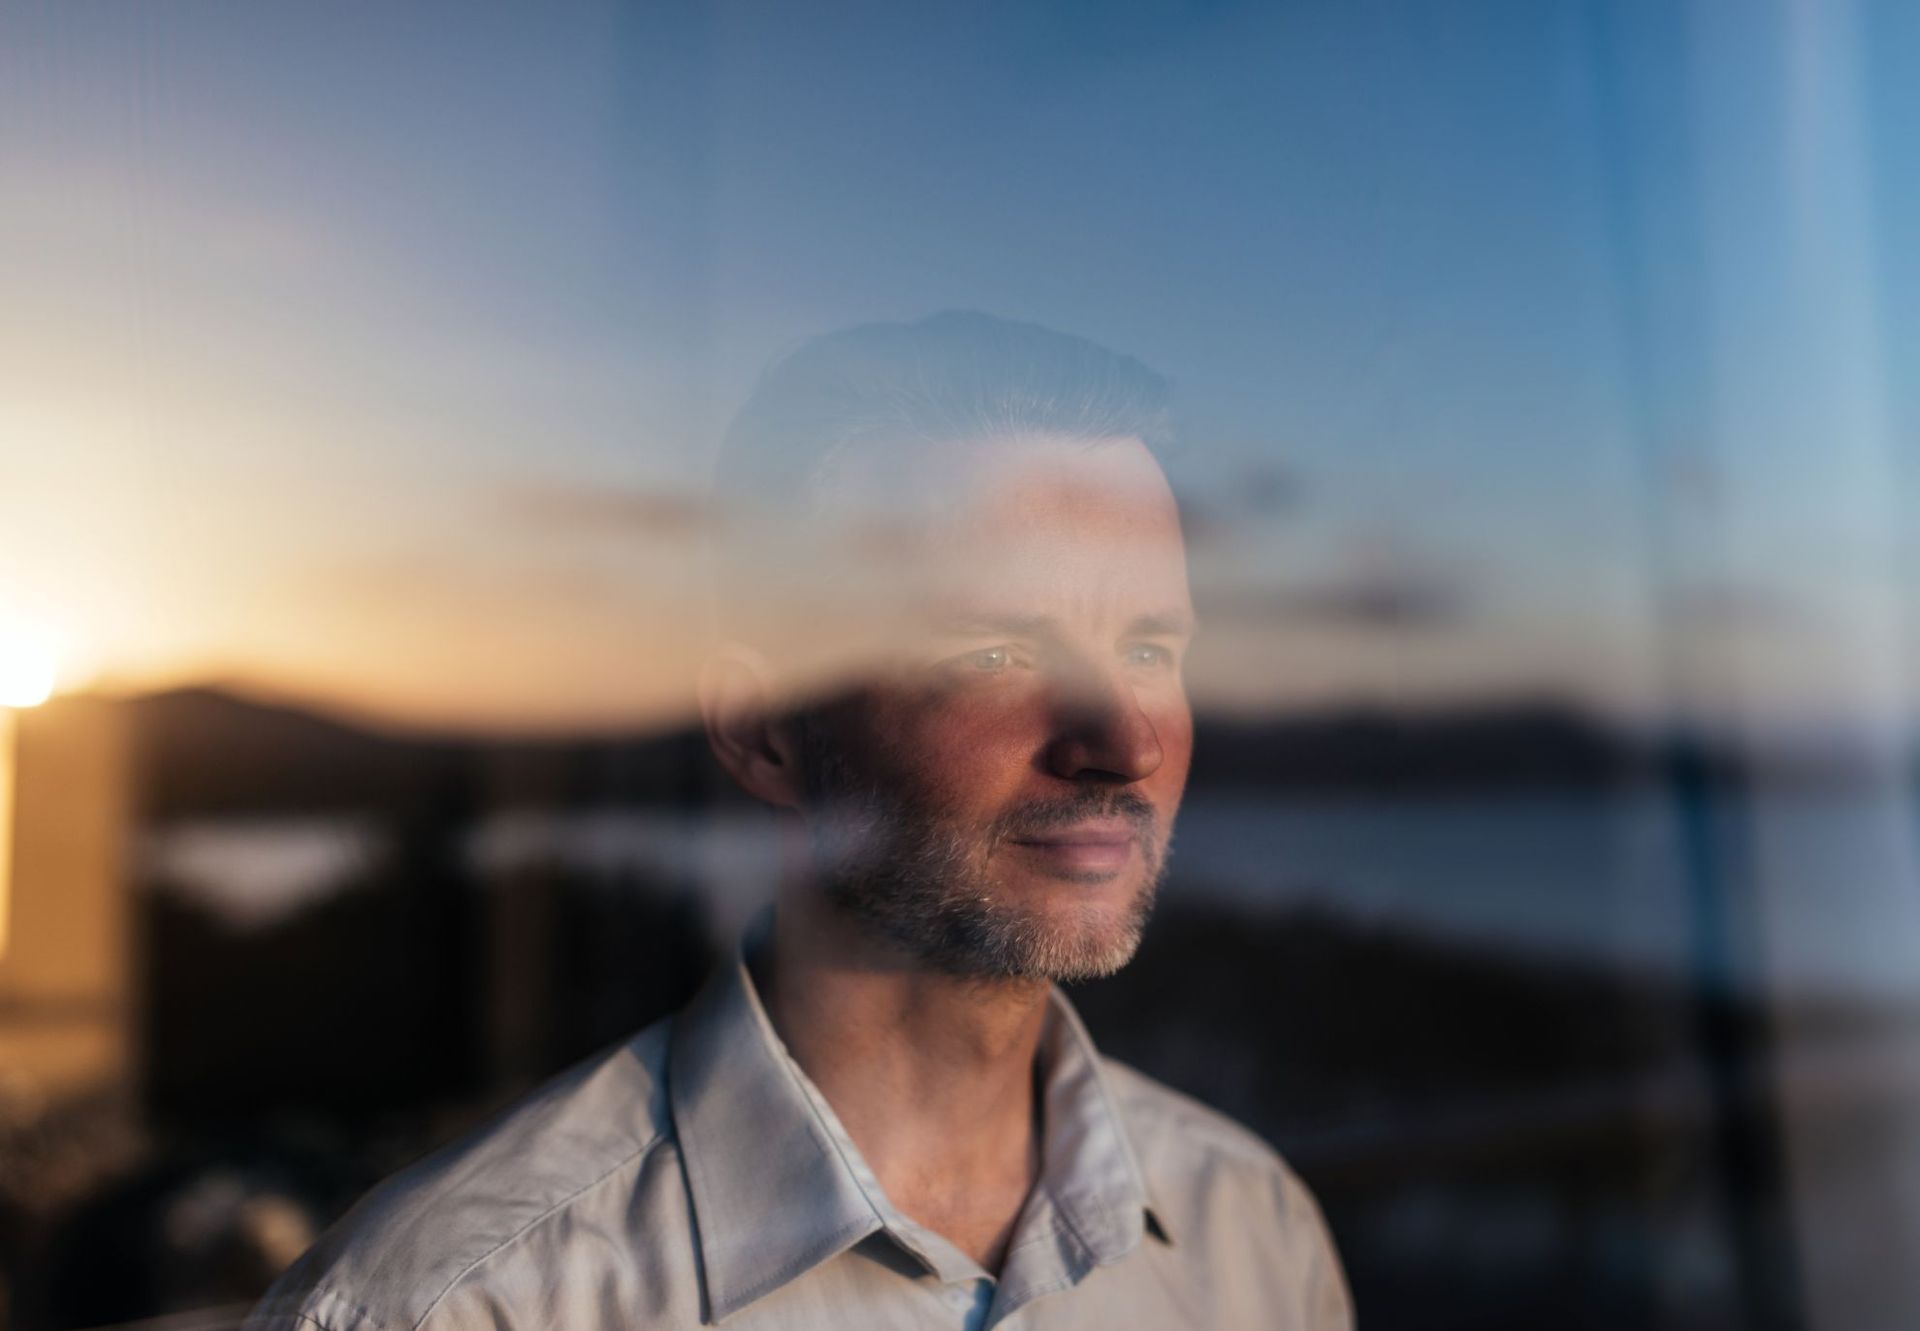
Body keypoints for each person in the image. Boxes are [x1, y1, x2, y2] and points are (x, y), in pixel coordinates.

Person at [243, 312, 1352, 1330]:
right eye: (997, 651)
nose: (1127, 744)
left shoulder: (1250, 1234)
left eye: (1151, 648)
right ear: (764, 730)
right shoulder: (460, 1306)